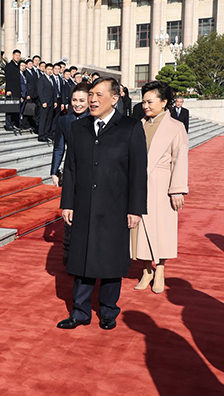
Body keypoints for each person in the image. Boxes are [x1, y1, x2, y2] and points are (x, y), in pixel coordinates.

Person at [57, 77, 147, 331]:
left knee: (111, 260)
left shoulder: (130, 127)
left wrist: (135, 209)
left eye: (98, 95)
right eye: (91, 94)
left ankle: (108, 310)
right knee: (82, 258)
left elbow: (138, 171)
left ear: (115, 98)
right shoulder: (79, 127)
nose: (92, 100)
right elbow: (71, 168)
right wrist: (67, 203)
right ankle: (80, 311)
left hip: (116, 206)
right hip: (84, 204)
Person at [131, 81, 189, 294]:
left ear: (164, 102)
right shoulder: (138, 125)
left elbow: (180, 159)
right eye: (143, 102)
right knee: (139, 229)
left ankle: (161, 269)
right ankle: (146, 270)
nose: (145, 106)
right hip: (138, 184)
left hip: (162, 185)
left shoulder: (176, 127)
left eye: (150, 101)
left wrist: (177, 189)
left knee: (161, 228)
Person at [51, 82, 90, 187]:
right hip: (71, 169)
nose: (77, 104)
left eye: (82, 100)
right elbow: (59, 148)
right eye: (74, 100)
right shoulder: (64, 120)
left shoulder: (96, 120)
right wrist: (54, 171)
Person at [36, 62, 56, 143]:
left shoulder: (52, 79)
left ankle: (46, 134)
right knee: (43, 119)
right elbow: (40, 91)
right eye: (48, 69)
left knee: (49, 120)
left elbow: (54, 91)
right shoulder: (42, 79)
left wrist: (55, 101)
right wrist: (43, 101)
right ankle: (41, 135)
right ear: (45, 69)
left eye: (51, 69)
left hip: (51, 103)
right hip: (44, 103)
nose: (50, 71)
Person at [4, 49, 22, 131]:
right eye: (16, 55)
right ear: (13, 55)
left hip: (17, 91)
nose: (17, 57)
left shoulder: (17, 66)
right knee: (9, 108)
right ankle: (8, 124)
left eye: (19, 56)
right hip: (10, 91)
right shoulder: (9, 66)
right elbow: (8, 79)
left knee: (15, 108)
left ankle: (14, 123)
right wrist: (8, 90)